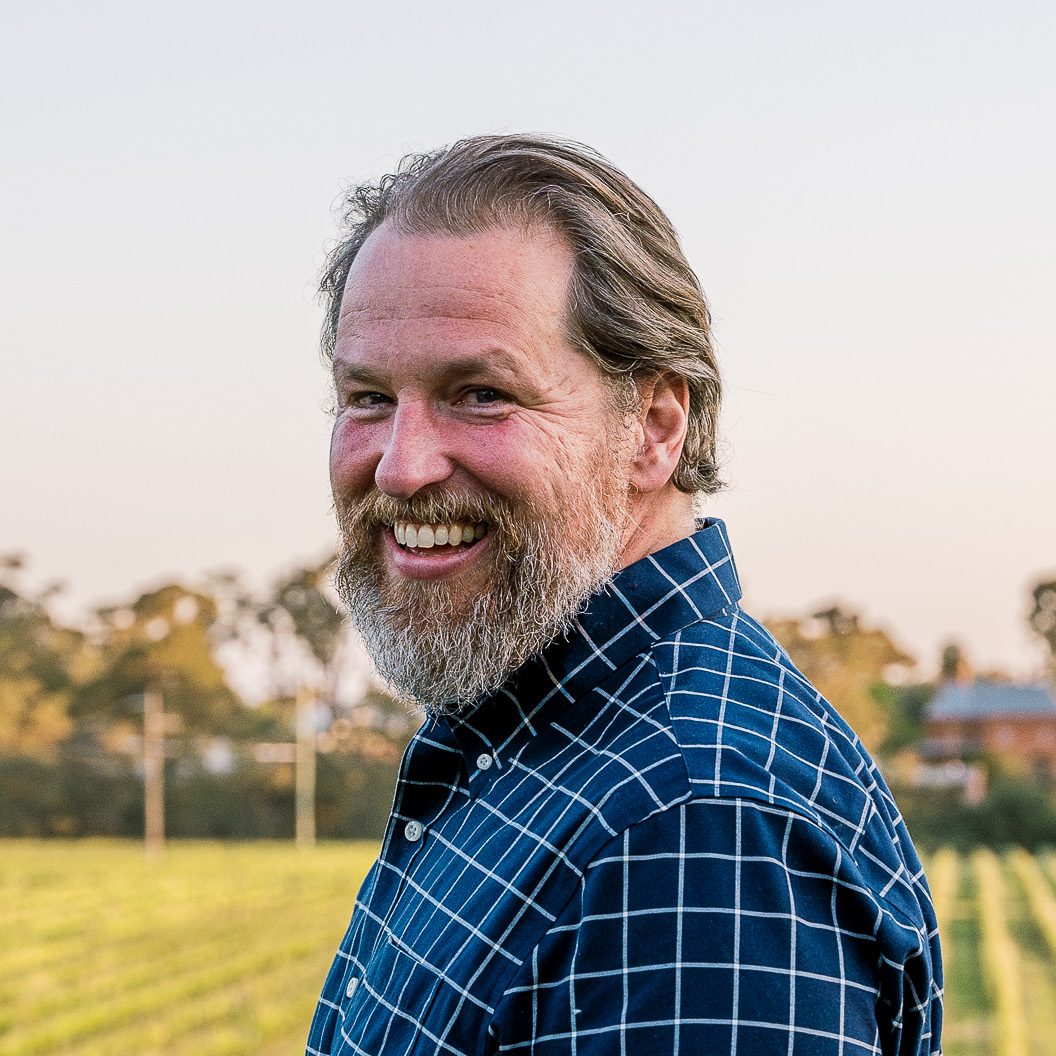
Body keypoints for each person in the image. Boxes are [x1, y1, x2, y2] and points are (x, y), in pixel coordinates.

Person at [306, 134, 942, 1055]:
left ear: (653, 427)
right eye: (367, 397)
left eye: (480, 394)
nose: (401, 468)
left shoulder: (693, 831)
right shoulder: (536, 739)